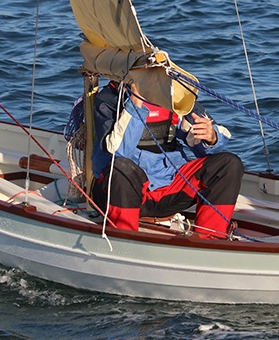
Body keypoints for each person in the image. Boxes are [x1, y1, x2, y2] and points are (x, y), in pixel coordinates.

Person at [90, 80, 243, 239]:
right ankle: (124, 240)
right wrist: (136, 102)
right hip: (124, 192)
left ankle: (210, 239)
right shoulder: (108, 100)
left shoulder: (174, 96)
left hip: (169, 190)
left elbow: (204, 147)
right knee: (121, 167)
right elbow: (118, 152)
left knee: (229, 164)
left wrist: (211, 137)